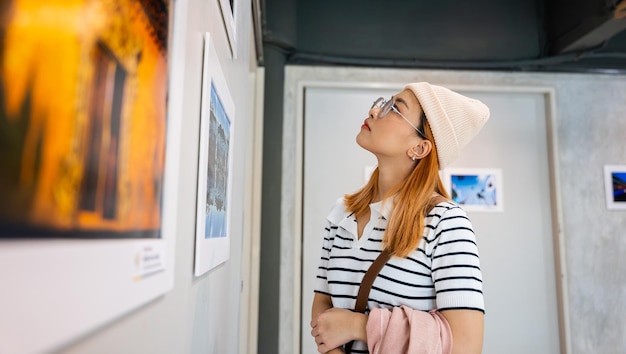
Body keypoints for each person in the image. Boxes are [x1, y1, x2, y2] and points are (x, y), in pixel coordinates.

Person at [310, 82, 490, 354]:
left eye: (394, 108)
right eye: (384, 102)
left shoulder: (446, 222)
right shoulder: (342, 213)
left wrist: (360, 327)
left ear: (420, 148)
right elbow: (323, 305)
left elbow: (466, 345)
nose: (374, 110)